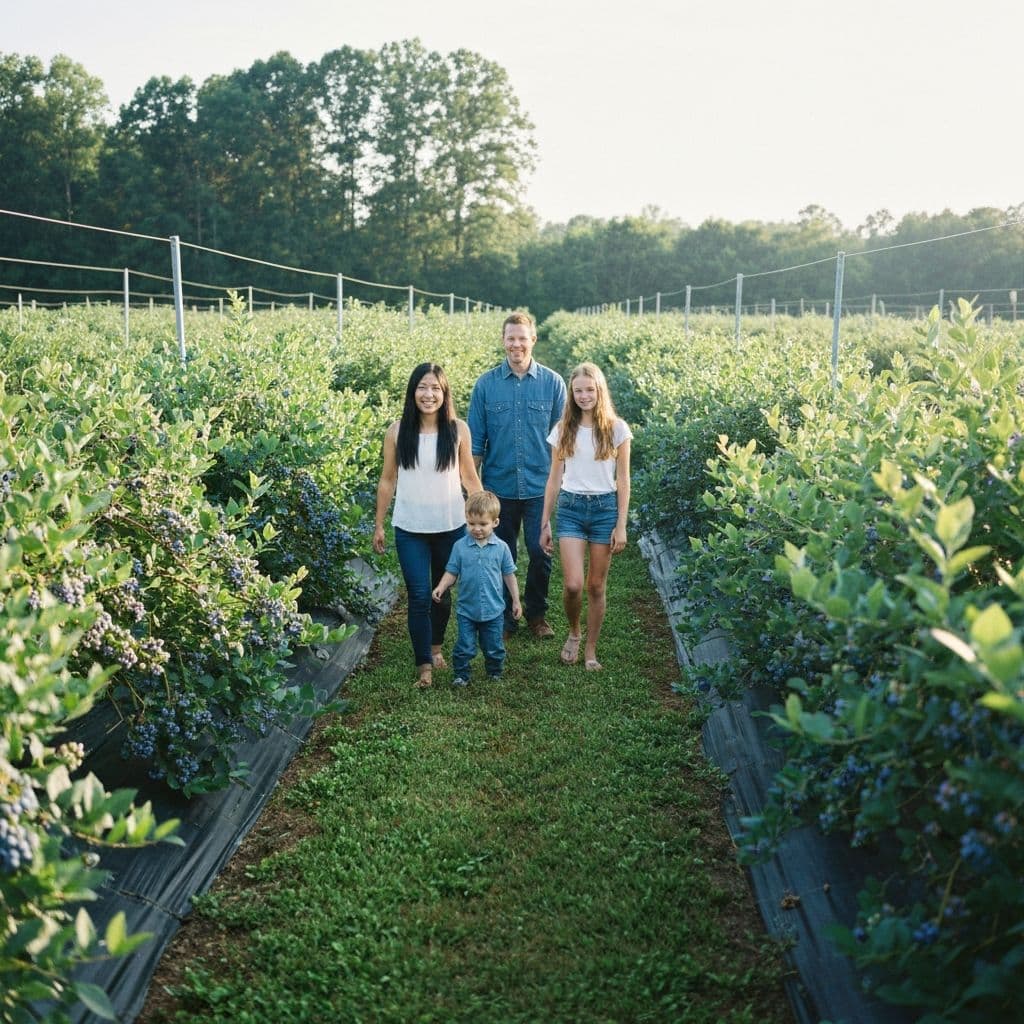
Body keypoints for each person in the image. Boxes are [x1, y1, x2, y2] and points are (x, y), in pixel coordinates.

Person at [373, 363, 482, 689]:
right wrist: (379, 524)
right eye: (422, 387)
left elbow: (468, 477)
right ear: (412, 392)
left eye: (435, 388)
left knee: (441, 593)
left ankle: (436, 646)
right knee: (419, 595)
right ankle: (424, 665)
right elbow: (387, 480)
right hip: (409, 528)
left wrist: (485, 514)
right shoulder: (396, 431)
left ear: (444, 393)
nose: (429, 394)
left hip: (449, 526)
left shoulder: (458, 430)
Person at [468, 311, 567, 643]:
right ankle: (506, 618)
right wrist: (473, 492)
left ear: (533, 340)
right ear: (503, 341)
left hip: (540, 486)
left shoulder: (553, 383)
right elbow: (476, 443)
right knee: (501, 553)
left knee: (540, 552)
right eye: (511, 338)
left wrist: (560, 486)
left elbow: (562, 442)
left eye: (522, 338)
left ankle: (536, 613)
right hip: (499, 486)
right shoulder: (486, 386)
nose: (516, 344)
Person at [540, 362, 632, 672]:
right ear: (572, 393)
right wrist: (544, 522)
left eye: (589, 390)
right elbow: (554, 478)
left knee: (595, 586)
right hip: (571, 509)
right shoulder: (563, 428)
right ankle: (574, 632)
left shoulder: (617, 429)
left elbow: (623, 480)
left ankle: (591, 648)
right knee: (574, 585)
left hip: (605, 510)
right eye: (578, 390)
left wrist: (621, 524)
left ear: (600, 391)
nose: (584, 396)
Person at [431, 491, 522, 687]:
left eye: (483, 524)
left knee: (494, 647)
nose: (477, 529)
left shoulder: (501, 548)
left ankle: (494, 671)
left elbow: (509, 575)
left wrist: (515, 600)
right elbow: (452, 571)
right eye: (471, 524)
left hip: (494, 610)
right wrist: (441, 586)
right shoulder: (460, 547)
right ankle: (461, 675)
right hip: (467, 610)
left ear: (495, 523)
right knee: (465, 646)